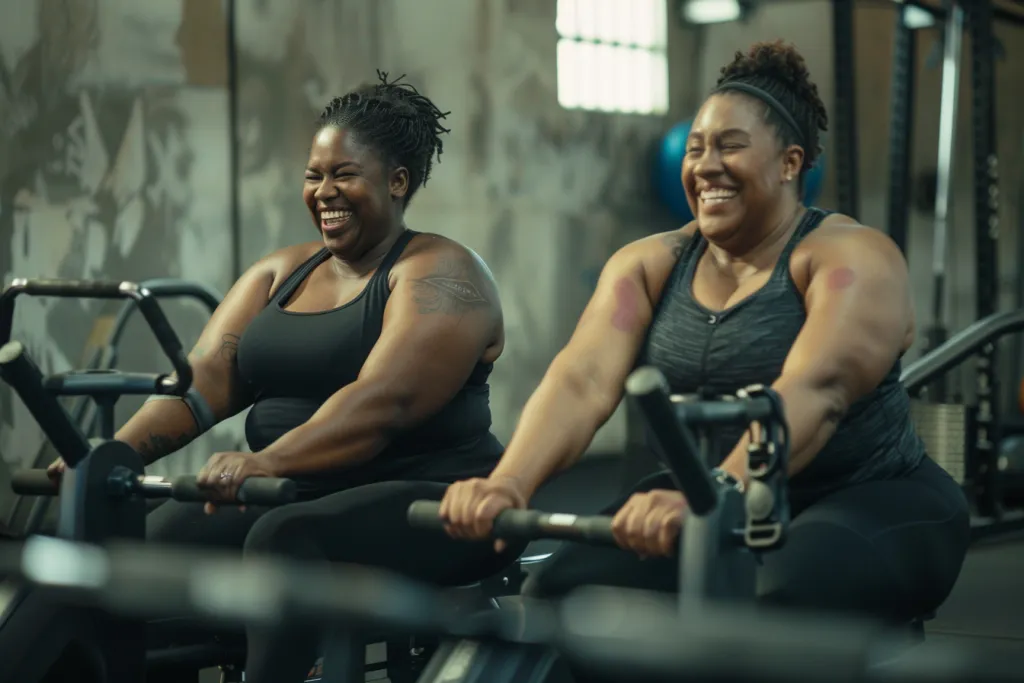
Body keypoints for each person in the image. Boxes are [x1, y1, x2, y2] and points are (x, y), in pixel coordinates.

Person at [439, 40, 971, 631]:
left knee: (771, 605)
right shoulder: (648, 265)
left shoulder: (851, 257)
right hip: (711, 495)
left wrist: (718, 494)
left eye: (730, 146)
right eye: (695, 149)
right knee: (561, 595)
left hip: (864, 497)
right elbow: (581, 380)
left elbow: (818, 389)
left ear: (790, 163)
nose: (704, 165)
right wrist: (508, 483)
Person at [34, 72, 521, 683]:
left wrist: (268, 461)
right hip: (297, 490)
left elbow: (382, 403)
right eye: (314, 174)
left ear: (398, 182)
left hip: (437, 501)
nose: (324, 192)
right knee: (143, 540)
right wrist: (108, 456)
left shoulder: (443, 272)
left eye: (344, 174)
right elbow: (203, 382)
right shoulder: (281, 272)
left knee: (285, 538)